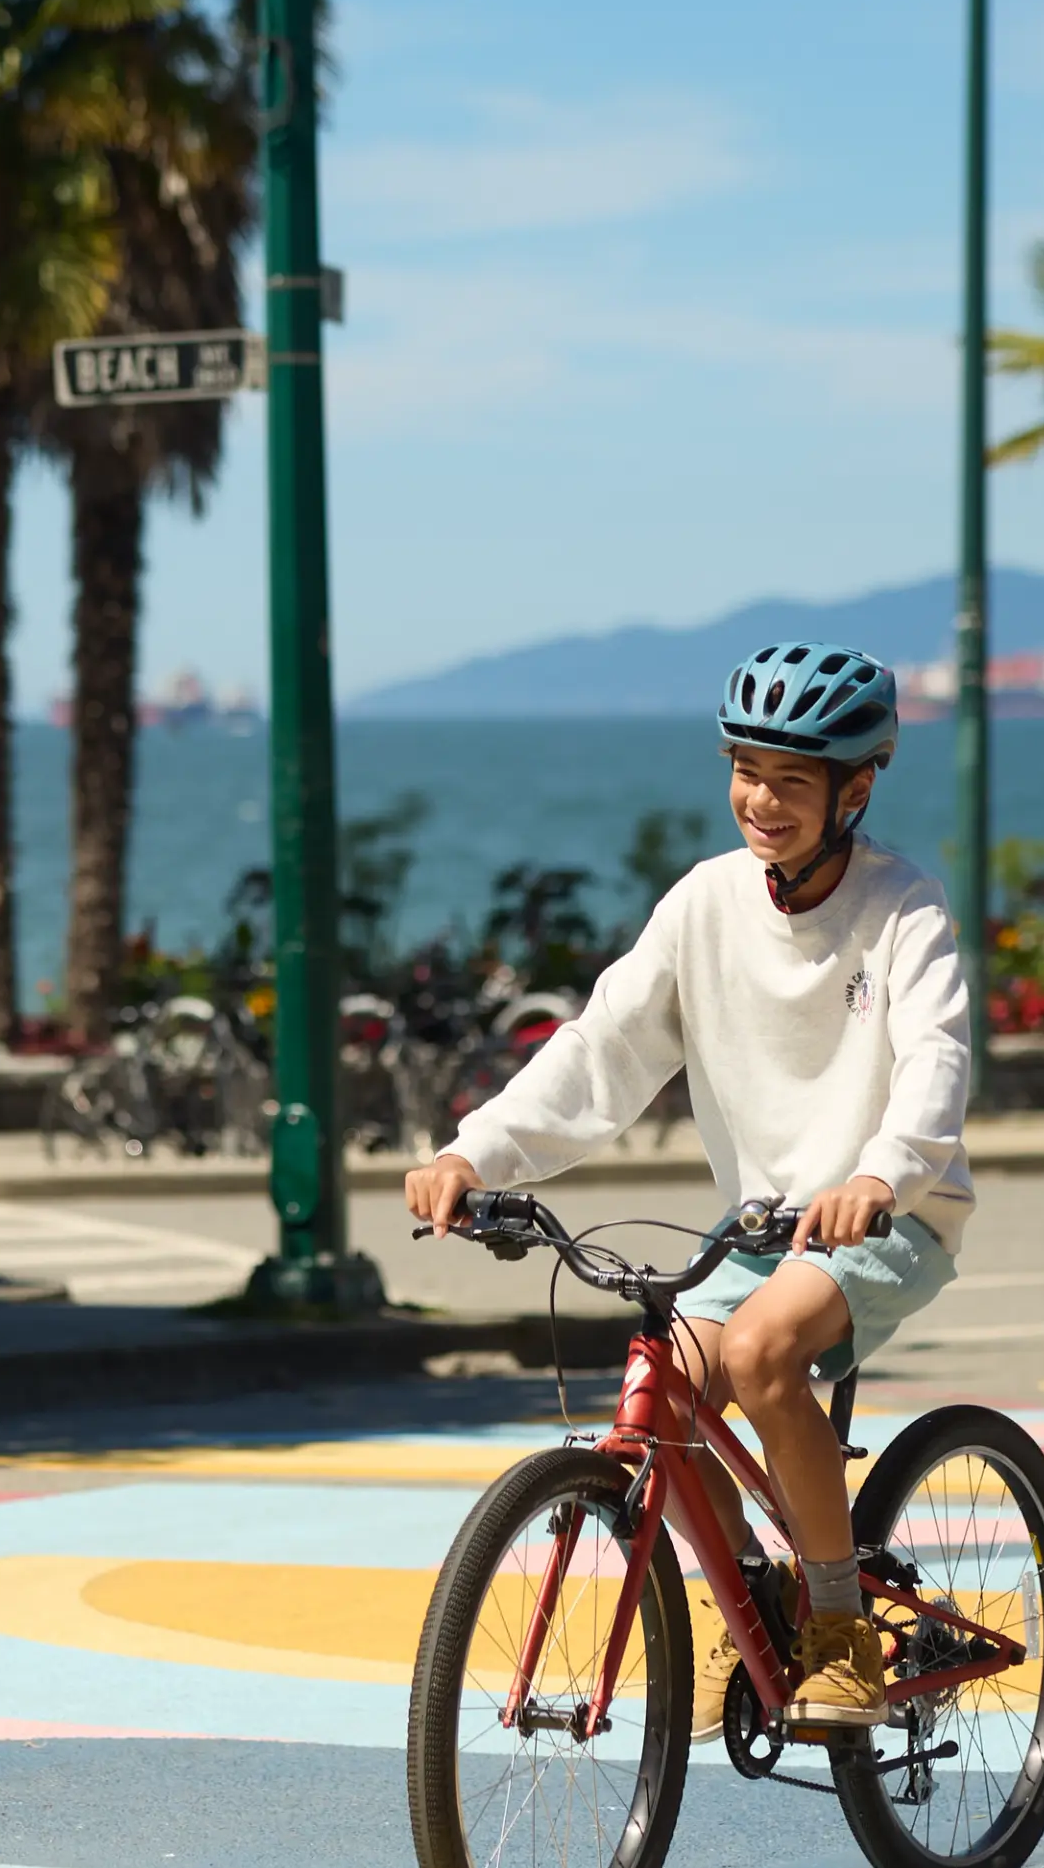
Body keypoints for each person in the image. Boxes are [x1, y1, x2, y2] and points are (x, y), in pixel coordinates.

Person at [402, 642, 974, 1735]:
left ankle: (843, 1624)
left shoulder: (904, 908)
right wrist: (474, 1153)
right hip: (758, 1232)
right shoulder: (706, 903)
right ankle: (753, 1601)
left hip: (894, 1212)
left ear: (856, 789)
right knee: (665, 1392)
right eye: (746, 769)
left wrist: (878, 1174)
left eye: (793, 780)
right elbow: (600, 1051)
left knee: (761, 1353)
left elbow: (936, 1058)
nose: (761, 799)